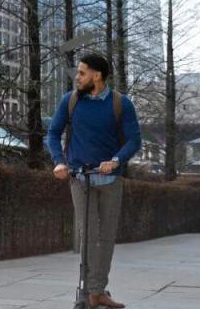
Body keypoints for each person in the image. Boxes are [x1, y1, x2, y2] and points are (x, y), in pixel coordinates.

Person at [46, 53, 141, 309]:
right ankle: (91, 291)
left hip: (111, 180)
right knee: (87, 236)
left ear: (97, 76)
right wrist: (59, 160)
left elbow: (134, 140)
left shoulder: (121, 104)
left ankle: (97, 290)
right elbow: (53, 134)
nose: (77, 77)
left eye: (82, 73)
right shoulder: (70, 101)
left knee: (107, 237)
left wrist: (116, 159)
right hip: (80, 179)